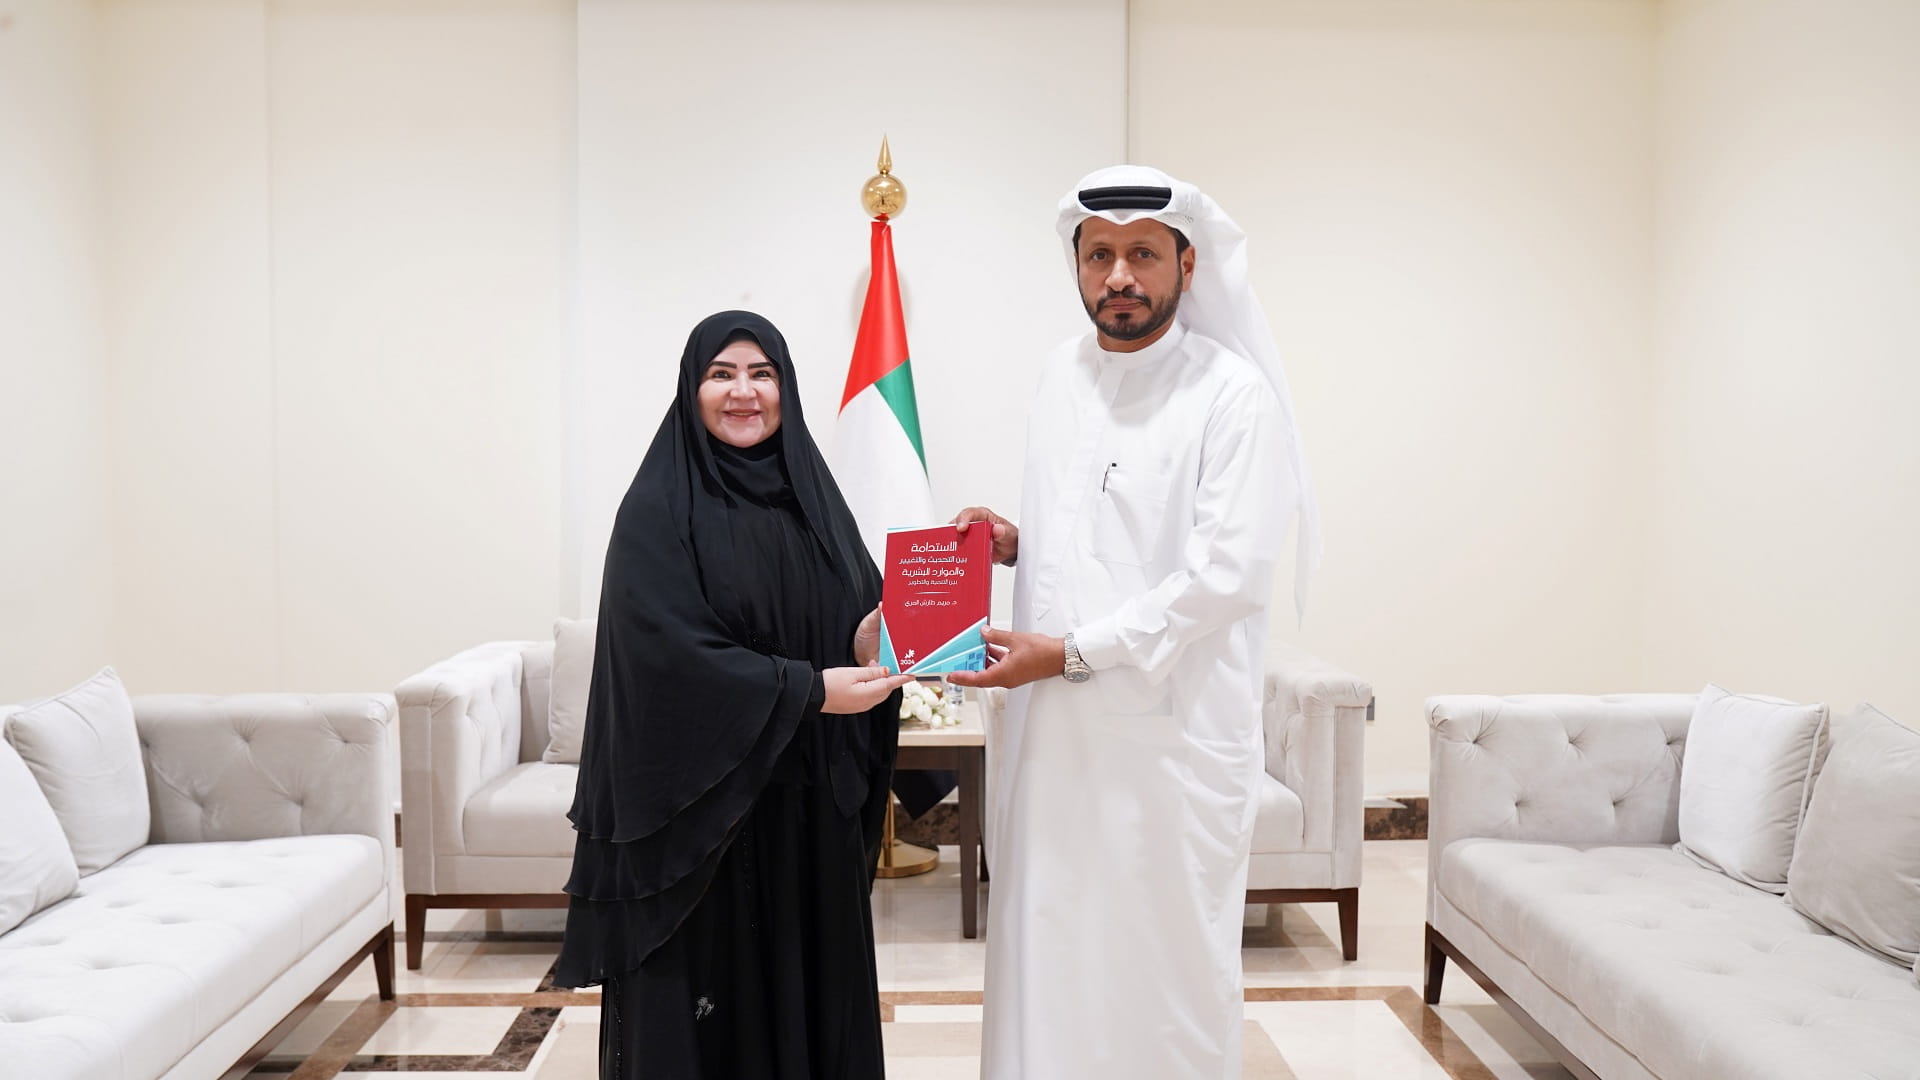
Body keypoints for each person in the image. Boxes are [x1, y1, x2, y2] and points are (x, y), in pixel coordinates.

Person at [948, 166, 1321, 1079]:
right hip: (1050, 741)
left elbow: (1221, 578)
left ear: (1187, 266)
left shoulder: (1232, 395)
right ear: (1077, 267)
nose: (1120, 275)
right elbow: (1101, 540)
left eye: (1143, 254)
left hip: (1170, 751)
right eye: (1101, 254)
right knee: (1048, 943)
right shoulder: (1059, 374)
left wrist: (1069, 653)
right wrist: (1011, 544)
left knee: (1163, 974)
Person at [555, 310, 913, 1079]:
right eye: (722, 374)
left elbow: (844, 620)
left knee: (810, 1002)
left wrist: (875, 638)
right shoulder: (657, 511)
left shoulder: (814, 502)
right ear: (692, 390)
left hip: (805, 811)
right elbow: (668, 657)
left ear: (786, 387)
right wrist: (808, 689)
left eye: (762, 373)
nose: (743, 393)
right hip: (704, 828)